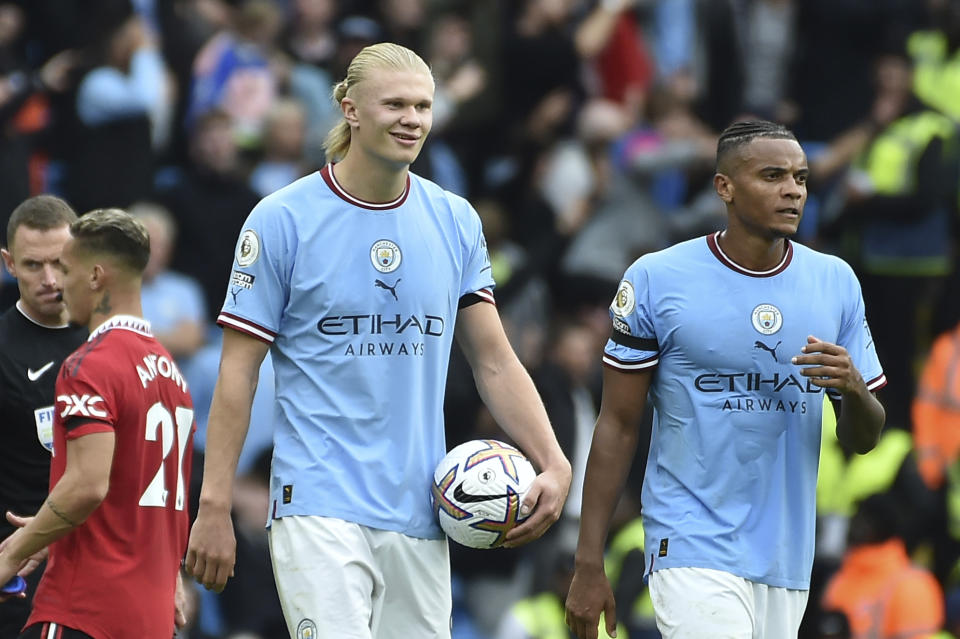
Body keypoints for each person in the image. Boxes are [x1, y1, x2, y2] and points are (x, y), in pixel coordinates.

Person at [185, 42, 572, 639]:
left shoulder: (455, 220)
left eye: (423, 105)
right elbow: (239, 371)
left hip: (424, 511)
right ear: (349, 107)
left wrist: (553, 459)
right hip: (318, 502)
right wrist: (213, 505)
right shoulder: (282, 219)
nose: (411, 119)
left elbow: (493, 361)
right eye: (394, 103)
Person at [565, 120, 887, 639]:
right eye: (773, 175)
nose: (792, 190)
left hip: (786, 554)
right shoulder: (657, 278)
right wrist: (588, 562)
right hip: (689, 540)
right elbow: (618, 424)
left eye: (801, 178)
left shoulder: (835, 282)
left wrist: (852, 389)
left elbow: (863, 439)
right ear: (725, 188)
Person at [0, 208, 195, 638]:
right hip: (150, 617)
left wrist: (12, 552)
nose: (57, 283)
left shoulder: (88, 365)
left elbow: (88, 486)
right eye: (37, 265)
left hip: (84, 610)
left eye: (65, 269)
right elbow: (140, 501)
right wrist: (46, 535)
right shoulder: (171, 373)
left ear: (94, 277)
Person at [0, 195, 87, 637]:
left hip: (109, 564)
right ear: (9, 263)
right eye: (33, 265)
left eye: (60, 261)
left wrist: (168, 573)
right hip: (24, 579)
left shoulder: (113, 337)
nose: (50, 279)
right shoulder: (3, 352)